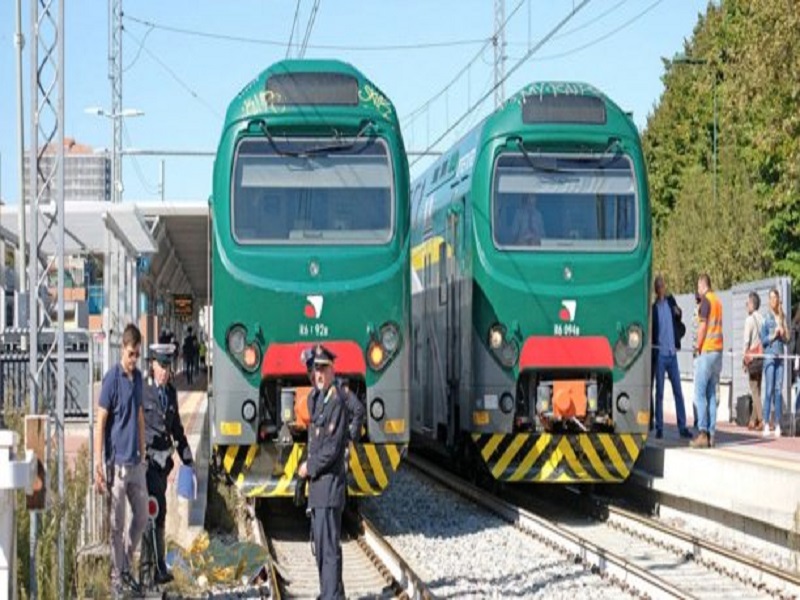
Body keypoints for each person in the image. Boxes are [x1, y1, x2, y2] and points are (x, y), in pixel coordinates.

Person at [94, 323, 148, 597]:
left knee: (141, 517)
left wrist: (143, 451)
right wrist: (98, 463)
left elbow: (139, 414)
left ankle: (126, 564)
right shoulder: (111, 380)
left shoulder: (137, 378)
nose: (134, 360)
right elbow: (100, 420)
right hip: (116, 464)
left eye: (137, 354)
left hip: (135, 463)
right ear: (122, 350)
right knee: (116, 524)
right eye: (131, 354)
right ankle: (117, 578)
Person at [298, 345, 349, 600]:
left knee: (328, 549)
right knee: (321, 545)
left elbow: (331, 448)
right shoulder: (317, 400)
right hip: (318, 488)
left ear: (332, 370)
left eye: (323, 368)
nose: (319, 374)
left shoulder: (336, 403)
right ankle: (331, 593)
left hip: (329, 485)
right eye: (316, 369)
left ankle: (331, 596)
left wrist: (309, 467)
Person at [143, 342, 194, 584]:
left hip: (164, 466)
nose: (165, 370)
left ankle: (154, 567)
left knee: (158, 514)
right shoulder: (142, 392)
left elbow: (176, 430)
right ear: (152, 365)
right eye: (161, 365)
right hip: (147, 462)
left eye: (168, 366)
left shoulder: (170, 393)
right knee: (154, 511)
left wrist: (188, 460)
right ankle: (153, 568)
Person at [651, 275, 692, 439]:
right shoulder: (654, 309)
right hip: (660, 354)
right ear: (656, 289)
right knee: (659, 392)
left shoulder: (670, 301)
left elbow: (679, 315)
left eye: (663, 285)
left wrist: (678, 312)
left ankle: (682, 427)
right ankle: (659, 426)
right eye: (659, 286)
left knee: (678, 392)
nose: (662, 288)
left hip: (672, 354)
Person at [690, 274, 724, 449]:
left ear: (704, 285)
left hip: (707, 350)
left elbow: (703, 326)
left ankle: (702, 433)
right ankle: (712, 435)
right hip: (718, 352)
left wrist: (697, 346)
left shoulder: (706, 302)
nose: (697, 290)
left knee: (699, 394)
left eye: (698, 287)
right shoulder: (718, 301)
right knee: (711, 394)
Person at [761, 288, 789, 438]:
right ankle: (766, 422)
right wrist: (773, 335)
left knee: (778, 390)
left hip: (780, 357)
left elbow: (787, 338)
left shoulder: (782, 316)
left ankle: (777, 423)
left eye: (775, 298)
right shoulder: (766, 317)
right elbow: (763, 340)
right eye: (771, 298)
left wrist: (783, 333)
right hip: (769, 356)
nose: (773, 300)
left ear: (778, 300)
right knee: (769, 390)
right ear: (768, 300)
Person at [742, 292, 764, 430]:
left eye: (747, 303)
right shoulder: (762, 318)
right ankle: (752, 420)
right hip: (761, 357)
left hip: (752, 358)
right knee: (758, 389)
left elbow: (746, 341)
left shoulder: (749, 320)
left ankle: (761, 420)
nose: (745, 305)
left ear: (752, 304)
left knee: (754, 389)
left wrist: (744, 360)